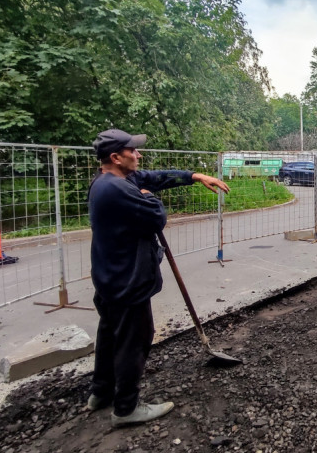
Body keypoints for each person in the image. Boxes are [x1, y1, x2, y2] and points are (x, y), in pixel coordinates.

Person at [87, 129, 229, 427]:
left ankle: (101, 392)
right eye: (133, 151)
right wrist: (149, 199)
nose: (138, 155)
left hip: (109, 277)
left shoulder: (117, 180)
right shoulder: (116, 189)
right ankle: (125, 409)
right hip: (127, 280)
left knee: (110, 335)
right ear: (115, 157)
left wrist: (194, 176)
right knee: (134, 340)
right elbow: (156, 217)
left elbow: (155, 178)